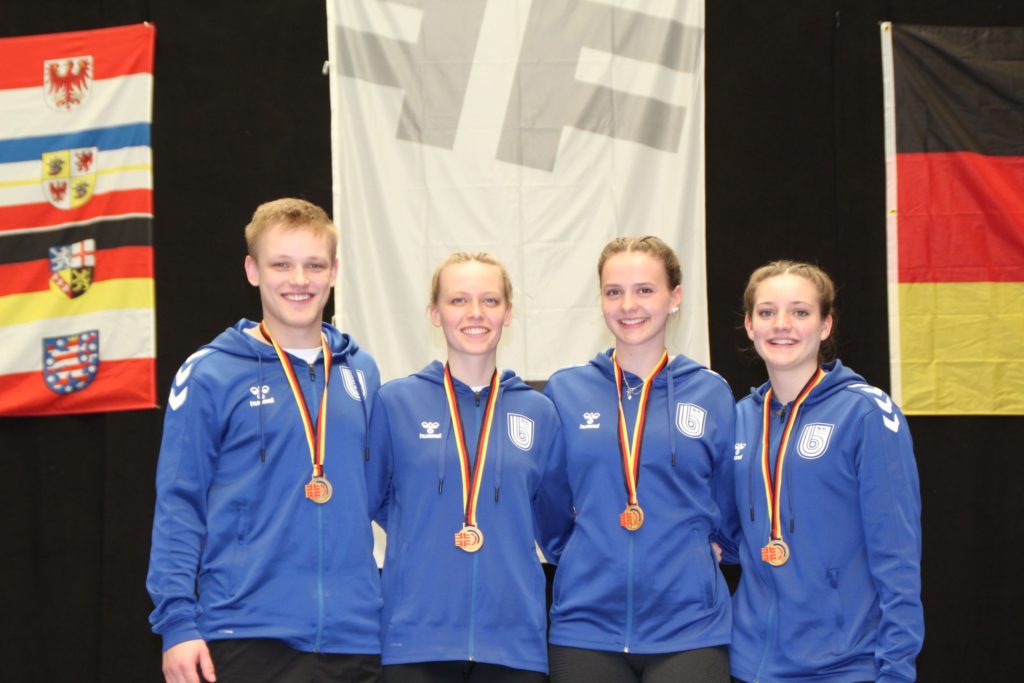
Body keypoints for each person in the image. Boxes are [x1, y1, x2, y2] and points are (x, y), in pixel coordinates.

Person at [146, 198, 383, 683]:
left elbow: (382, 495)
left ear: (334, 272)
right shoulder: (211, 372)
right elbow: (179, 503)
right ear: (253, 270)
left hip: (355, 637)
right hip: (246, 633)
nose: (299, 280)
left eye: (314, 265)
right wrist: (177, 623)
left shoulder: (361, 372)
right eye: (281, 265)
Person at [541, 236, 735, 683]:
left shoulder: (711, 392)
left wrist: (709, 548)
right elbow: (548, 498)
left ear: (675, 298)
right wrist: (578, 553)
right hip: (585, 626)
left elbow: (729, 495)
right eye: (614, 291)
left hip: (690, 627)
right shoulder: (566, 392)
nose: (628, 305)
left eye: (645, 290)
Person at [365, 252, 563, 683]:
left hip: (513, 646)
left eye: (490, 300)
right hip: (414, 640)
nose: (475, 313)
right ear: (435, 313)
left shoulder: (540, 412)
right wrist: (419, 533)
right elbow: (372, 503)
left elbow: (556, 527)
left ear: (508, 312)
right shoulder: (394, 404)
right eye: (458, 300)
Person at [727, 260, 923, 683]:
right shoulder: (740, 419)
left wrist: (896, 670)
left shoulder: (866, 413)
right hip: (750, 665)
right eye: (767, 312)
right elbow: (727, 532)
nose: (782, 325)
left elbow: (897, 556)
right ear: (749, 325)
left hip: (843, 665)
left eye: (800, 312)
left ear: (825, 325)